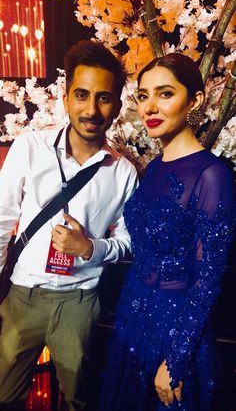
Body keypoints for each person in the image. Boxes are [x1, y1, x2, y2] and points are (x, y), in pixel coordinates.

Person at [0, 40, 138, 411]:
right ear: (65, 99)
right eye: (81, 94)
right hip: (22, 296)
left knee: (79, 399)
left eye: (104, 98)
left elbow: (129, 240)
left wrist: (91, 248)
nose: (92, 109)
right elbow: (2, 218)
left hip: (80, 300)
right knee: (4, 396)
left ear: (117, 106)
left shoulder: (123, 172)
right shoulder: (29, 147)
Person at [99, 53, 235, 411]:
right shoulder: (156, 166)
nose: (150, 107)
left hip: (175, 332)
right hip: (131, 320)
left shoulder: (212, 174)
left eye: (165, 93)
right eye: (143, 96)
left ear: (196, 100)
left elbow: (209, 280)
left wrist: (175, 359)